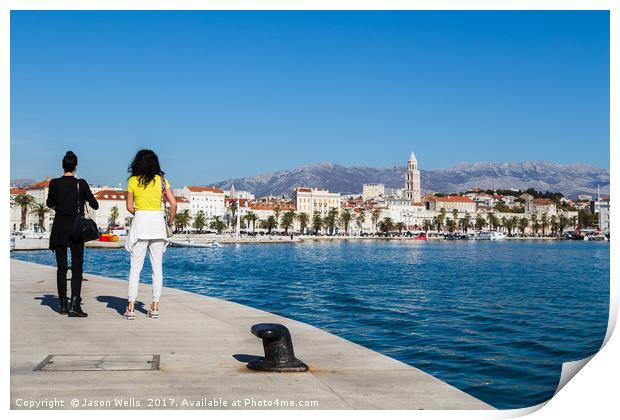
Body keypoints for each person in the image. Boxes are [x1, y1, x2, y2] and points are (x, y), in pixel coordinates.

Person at [124, 149, 177, 320]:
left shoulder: (132, 181)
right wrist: (169, 221)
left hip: (140, 225)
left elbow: (129, 207)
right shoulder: (162, 181)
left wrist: (141, 213)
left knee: (135, 269)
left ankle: (131, 308)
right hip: (158, 227)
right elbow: (174, 204)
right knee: (157, 269)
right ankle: (154, 307)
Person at [46, 151, 99, 317]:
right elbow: (95, 205)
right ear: (76, 166)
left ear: (63, 166)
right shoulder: (81, 183)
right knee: (77, 267)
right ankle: (74, 305)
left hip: (59, 228)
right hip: (76, 229)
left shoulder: (54, 183)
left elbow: (49, 203)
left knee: (61, 268)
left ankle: (62, 305)